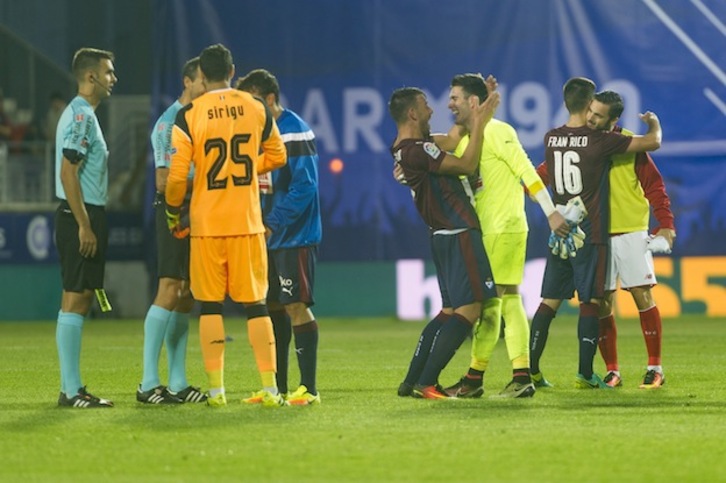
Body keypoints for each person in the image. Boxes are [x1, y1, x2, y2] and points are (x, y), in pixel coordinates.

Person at [428, 74, 569, 399]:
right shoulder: (465, 137)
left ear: (473, 102)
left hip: (503, 227)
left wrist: (551, 212)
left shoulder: (499, 131)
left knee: (496, 302)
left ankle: (506, 377)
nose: (449, 104)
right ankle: (491, 377)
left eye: (455, 98)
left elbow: (527, 171)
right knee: (502, 301)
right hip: (487, 231)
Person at [165, 43, 287, 407]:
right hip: (247, 222)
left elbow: (175, 179)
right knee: (257, 305)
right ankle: (270, 388)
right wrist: (248, 170)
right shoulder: (256, 107)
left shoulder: (188, 115)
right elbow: (278, 156)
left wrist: (174, 211)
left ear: (201, 75)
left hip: (206, 225)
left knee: (210, 306)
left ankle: (216, 391)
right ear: (232, 72)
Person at [528, 80, 662, 389]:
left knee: (549, 301)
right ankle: (586, 373)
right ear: (590, 105)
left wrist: (551, 213)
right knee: (591, 299)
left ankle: (530, 370)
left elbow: (536, 180)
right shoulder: (599, 140)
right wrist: (653, 122)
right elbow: (652, 142)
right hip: (589, 233)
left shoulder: (551, 138)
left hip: (560, 232)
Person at [389, 86, 500, 399]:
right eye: (426, 105)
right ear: (412, 113)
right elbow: (465, 163)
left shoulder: (405, 147)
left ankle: (411, 381)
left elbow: (450, 140)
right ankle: (426, 382)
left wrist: (478, 109)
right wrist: (477, 124)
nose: (432, 110)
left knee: (450, 311)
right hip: (458, 230)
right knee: (471, 309)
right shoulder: (417, 150)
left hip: (442, 234)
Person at [235, 69, 323, 406]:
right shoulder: (252, 131)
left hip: (293, 236)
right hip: (264, 236)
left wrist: (272, 221)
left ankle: (309, 388)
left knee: (296, 305)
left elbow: (305, 186)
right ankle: (277, 388)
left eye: (252, 101)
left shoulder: (294, 130)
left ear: (269, 99)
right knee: (272, 308)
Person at [585, 92, 675, 389]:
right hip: (597, 234)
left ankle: (655, 368)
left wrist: (666, 224)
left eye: (598, 115)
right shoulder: (582, 141)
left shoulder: (629, 144)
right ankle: (612, 371)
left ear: (613, 120)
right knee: (601, 304)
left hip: (631, 232)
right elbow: (551, 172)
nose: (590, 118)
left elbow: (654, 186)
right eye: (589, 111)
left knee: (641, 296)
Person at [137, 57, 207, 404]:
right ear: (187, 82)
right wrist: (204, 183)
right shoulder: (169, 123)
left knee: (187, 294)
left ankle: (178, 381)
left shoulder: (198, 119)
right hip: (174, 212)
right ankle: (148, 381)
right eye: (202, 82)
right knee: (169, 287)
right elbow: (164, 180)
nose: (207, 88)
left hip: (195, 213)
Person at [54, 48, 117, 408]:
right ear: (91, 77)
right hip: (80, 214)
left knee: (74, 298)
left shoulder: (80, 114)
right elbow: (68, 172)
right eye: (109, 72)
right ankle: (73, 391)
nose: (113, 78)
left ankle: (69, 388)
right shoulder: (82, 117)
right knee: (78, 299)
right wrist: (84, 225)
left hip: (76, 212)